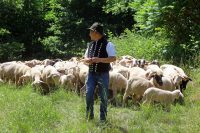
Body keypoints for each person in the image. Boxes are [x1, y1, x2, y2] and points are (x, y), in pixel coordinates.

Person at [82, 22, 116, 121]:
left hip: (103, 74)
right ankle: (89, 116)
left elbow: (113, 58)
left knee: (104, 96)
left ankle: (103, 119)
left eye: (90, 32)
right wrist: (87, 60)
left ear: (95, 32)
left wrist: (99, 59)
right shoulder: (90, 45)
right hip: (91, 73)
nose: (89, 34)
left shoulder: (108, 44)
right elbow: (84, 59)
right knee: (88, 94)